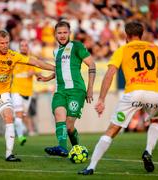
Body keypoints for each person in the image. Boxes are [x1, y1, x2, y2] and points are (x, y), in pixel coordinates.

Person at [78, 21, 158, 175]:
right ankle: (148, 151)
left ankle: (91, 167)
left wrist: (101, 99)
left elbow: (109, 74)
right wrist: (156, 88)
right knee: (156, 121)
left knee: (112, 130)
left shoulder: (122, 49)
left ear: (126, 36)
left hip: (133, 93)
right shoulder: (157, 49)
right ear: (142, 34)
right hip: (155, 93)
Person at [0, 30, 54, 162]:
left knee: (9, 116)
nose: (5, 45)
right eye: (1, 43)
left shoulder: (13, 56)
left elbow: (36, 63)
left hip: (1, 94)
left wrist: (55, 68)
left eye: (7, 42)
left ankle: (9, 154)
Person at [37, 21, 96, 157]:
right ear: (55, 35)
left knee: (69, 126)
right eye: (59, 33)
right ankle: (62, 148)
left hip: (76, 91)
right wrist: (48, 78)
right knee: (59, 115)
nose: (62, 35)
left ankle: (76, 147)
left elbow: (91, 64)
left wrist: (90, 88)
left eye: (65, 32)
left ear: (69, 33)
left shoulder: (77, 46)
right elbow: (60, 70)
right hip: (60, 91)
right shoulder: (56, 51)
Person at [10, 39, 41, 146]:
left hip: (27, 93)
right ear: (19, 47)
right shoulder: (15, 59)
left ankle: (21, 129)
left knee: (23, 115)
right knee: (18, 116)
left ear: (28, 47)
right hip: (16, 91)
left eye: (25, 45)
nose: (23, 47)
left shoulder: (33, 60)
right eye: (21, 45)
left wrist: (35, 73)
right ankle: (20, 136)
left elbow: (39, 75)